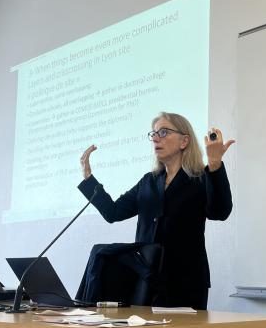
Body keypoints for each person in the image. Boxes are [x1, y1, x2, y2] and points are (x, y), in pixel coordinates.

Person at [77, 112, 235, 310]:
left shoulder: (201, 178)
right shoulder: (148, 182)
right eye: (154, 134)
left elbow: (220, 212)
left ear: (184, 141)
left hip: (185, 281)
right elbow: (113, 212)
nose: (156, 138)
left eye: (164, 132)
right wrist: (88, 177)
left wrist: (215, 164)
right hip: (146, 278)